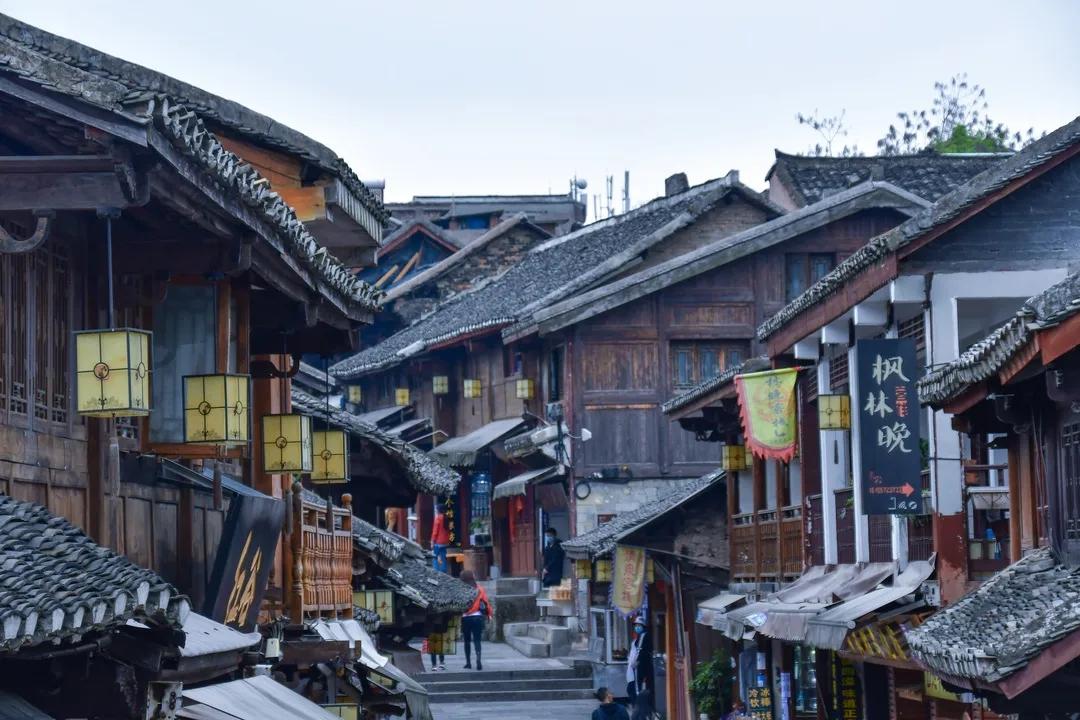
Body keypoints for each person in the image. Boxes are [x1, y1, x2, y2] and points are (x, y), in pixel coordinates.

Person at [460, 570, 492, 670]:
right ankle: (478, 660)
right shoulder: (480, 589)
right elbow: (486, 603)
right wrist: (489, 614)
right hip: (477, 617)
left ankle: (468, 663)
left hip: (465, 618)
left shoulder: (461, 590)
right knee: (477, 640)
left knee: (467, 641)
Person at [626, 615, 654, 720]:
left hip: (641, 667)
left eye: (639, 625)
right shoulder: (640, 637)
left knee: (637, 689)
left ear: (643, 626)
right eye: (636, 625)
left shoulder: (643, 636)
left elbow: (640, 651)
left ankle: (639, 710)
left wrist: (636, 662)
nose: (636, 627)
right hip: (641, 667)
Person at [431, 502, 450, 572]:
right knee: (443, 557)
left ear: (438, 510)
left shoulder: (438, 518)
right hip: (445, 542)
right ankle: (443, 571)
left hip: (438, 541)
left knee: (435, 556)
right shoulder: (446, 518)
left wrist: (432, 541)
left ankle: (435, 571)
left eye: (436, 510)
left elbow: (435, 532)